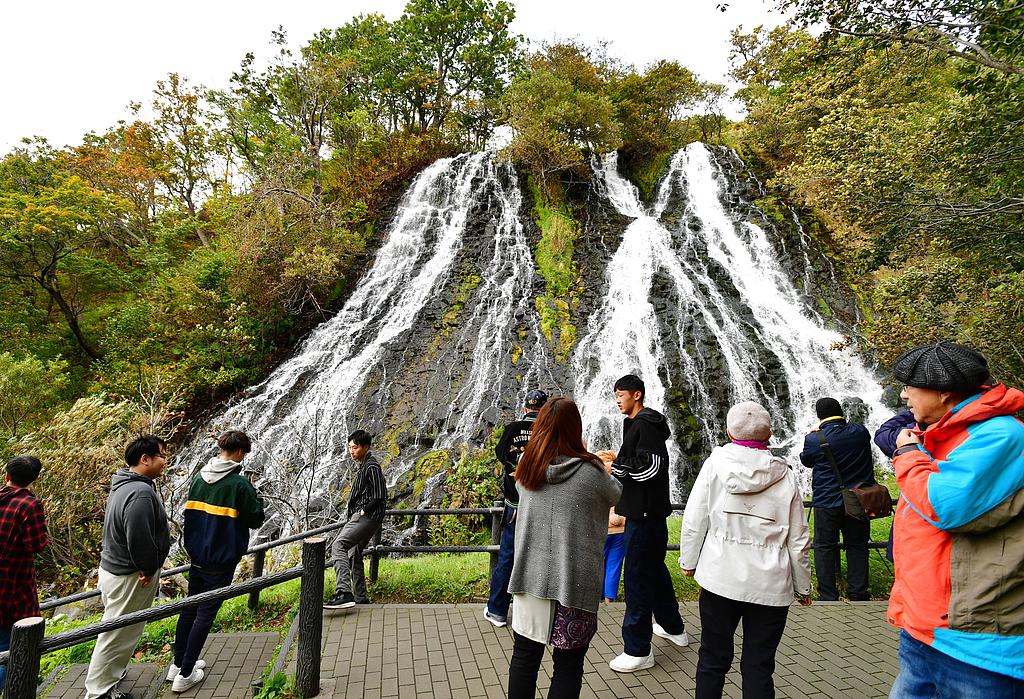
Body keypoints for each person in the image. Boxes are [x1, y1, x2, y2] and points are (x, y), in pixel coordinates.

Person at [887, 342, 1024, 696]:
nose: (904, 396)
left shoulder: (1002, 435)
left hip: (976, 642)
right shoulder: (943, 432)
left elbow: (946, 505)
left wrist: (906, 455)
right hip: (923, 631)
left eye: (909, 387)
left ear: (944, 391)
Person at [680, 402, 812, 699]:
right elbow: (798, 538)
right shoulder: (786, 475)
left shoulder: (715, 463)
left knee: (712, 659)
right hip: (771, 585)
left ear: (728, 432)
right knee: (759, 665)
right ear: (770, 435)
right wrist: (803, 585)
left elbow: (695, 517)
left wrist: (688, 560)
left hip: (719, 576)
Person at [505, 397, 621, 699]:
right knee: (568, 666)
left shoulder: (526, 466)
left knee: (525, 657)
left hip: (530, 577)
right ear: (575, 428)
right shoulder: (592, 472)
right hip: (575, 582)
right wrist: (594, 458)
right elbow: (615, 494)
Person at [595, 374, 687, 673]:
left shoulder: (646, 423)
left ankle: (638, 649)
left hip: (644, 516)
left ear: (637, 394)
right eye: (615, 394)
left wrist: (615, 468)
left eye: (621, 394)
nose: (617, 399)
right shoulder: (635, 423)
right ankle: (673, 628)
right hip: (645, 514)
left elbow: (653, 467)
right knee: (654, 571)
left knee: (636, 578)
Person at [170, 430, 265, 692]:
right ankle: (185, 674)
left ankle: (177, 665)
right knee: (206, 612)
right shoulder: (238, 484)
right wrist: (255, 494)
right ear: (238, 452)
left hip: (197, 554)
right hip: (221, 558)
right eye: (244, 453)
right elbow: (256, 518)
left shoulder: (199, 477)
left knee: (190, 607)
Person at [85, 435, 171, 699]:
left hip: (114, 568)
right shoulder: (140, 494)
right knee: (117, 634)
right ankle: (98, 692)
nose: (165, 461)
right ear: (145, 459)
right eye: (162, 455)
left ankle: (112, 674)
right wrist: (146, 568)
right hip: (129, 575)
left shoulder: (124, 483)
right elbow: (139, 538)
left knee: (117, 629)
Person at [798, 397, 874, 601]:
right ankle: (858, 594)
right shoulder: (860, 432)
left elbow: (806, 460)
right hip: (858, 499)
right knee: (857, 546)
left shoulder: (814, 439)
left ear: (819, 416)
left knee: (824, 547)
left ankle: (828, 595)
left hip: (827, 501)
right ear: (841, 412)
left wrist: (816, 434)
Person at [484, 389, 548, 627]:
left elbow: (501, 455)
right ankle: (535, 613)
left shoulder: (512, 430)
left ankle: (497, 611)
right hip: (541, 506)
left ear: (525, 409)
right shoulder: (549, 431)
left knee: (507, 557)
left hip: (515, 505)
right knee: (539, 558)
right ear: (545, 409)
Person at [324, 430, 387, 609]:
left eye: (355, 447)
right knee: (353, 553)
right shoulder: (365, 465)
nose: (352, 451)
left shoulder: (372, 466)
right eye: (350, 447)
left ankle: (343, 592)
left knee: (339, 545)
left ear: (366, 447)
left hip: (367, 517)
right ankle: (360, 598)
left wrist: (362, 512)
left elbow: (380, 494)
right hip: (367, 517)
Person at [0, 455, 47, 694]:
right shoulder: (30, 505)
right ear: (34, 479)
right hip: (13, 587)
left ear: (7, 476)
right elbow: (36, 544)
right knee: (14, 648)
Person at [602, 508, 626, 604]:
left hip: (602, 529)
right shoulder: (624, 491)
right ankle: (609, 601)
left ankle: (595, 600)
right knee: (614, 568)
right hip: (620, 530)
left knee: (597, 566)